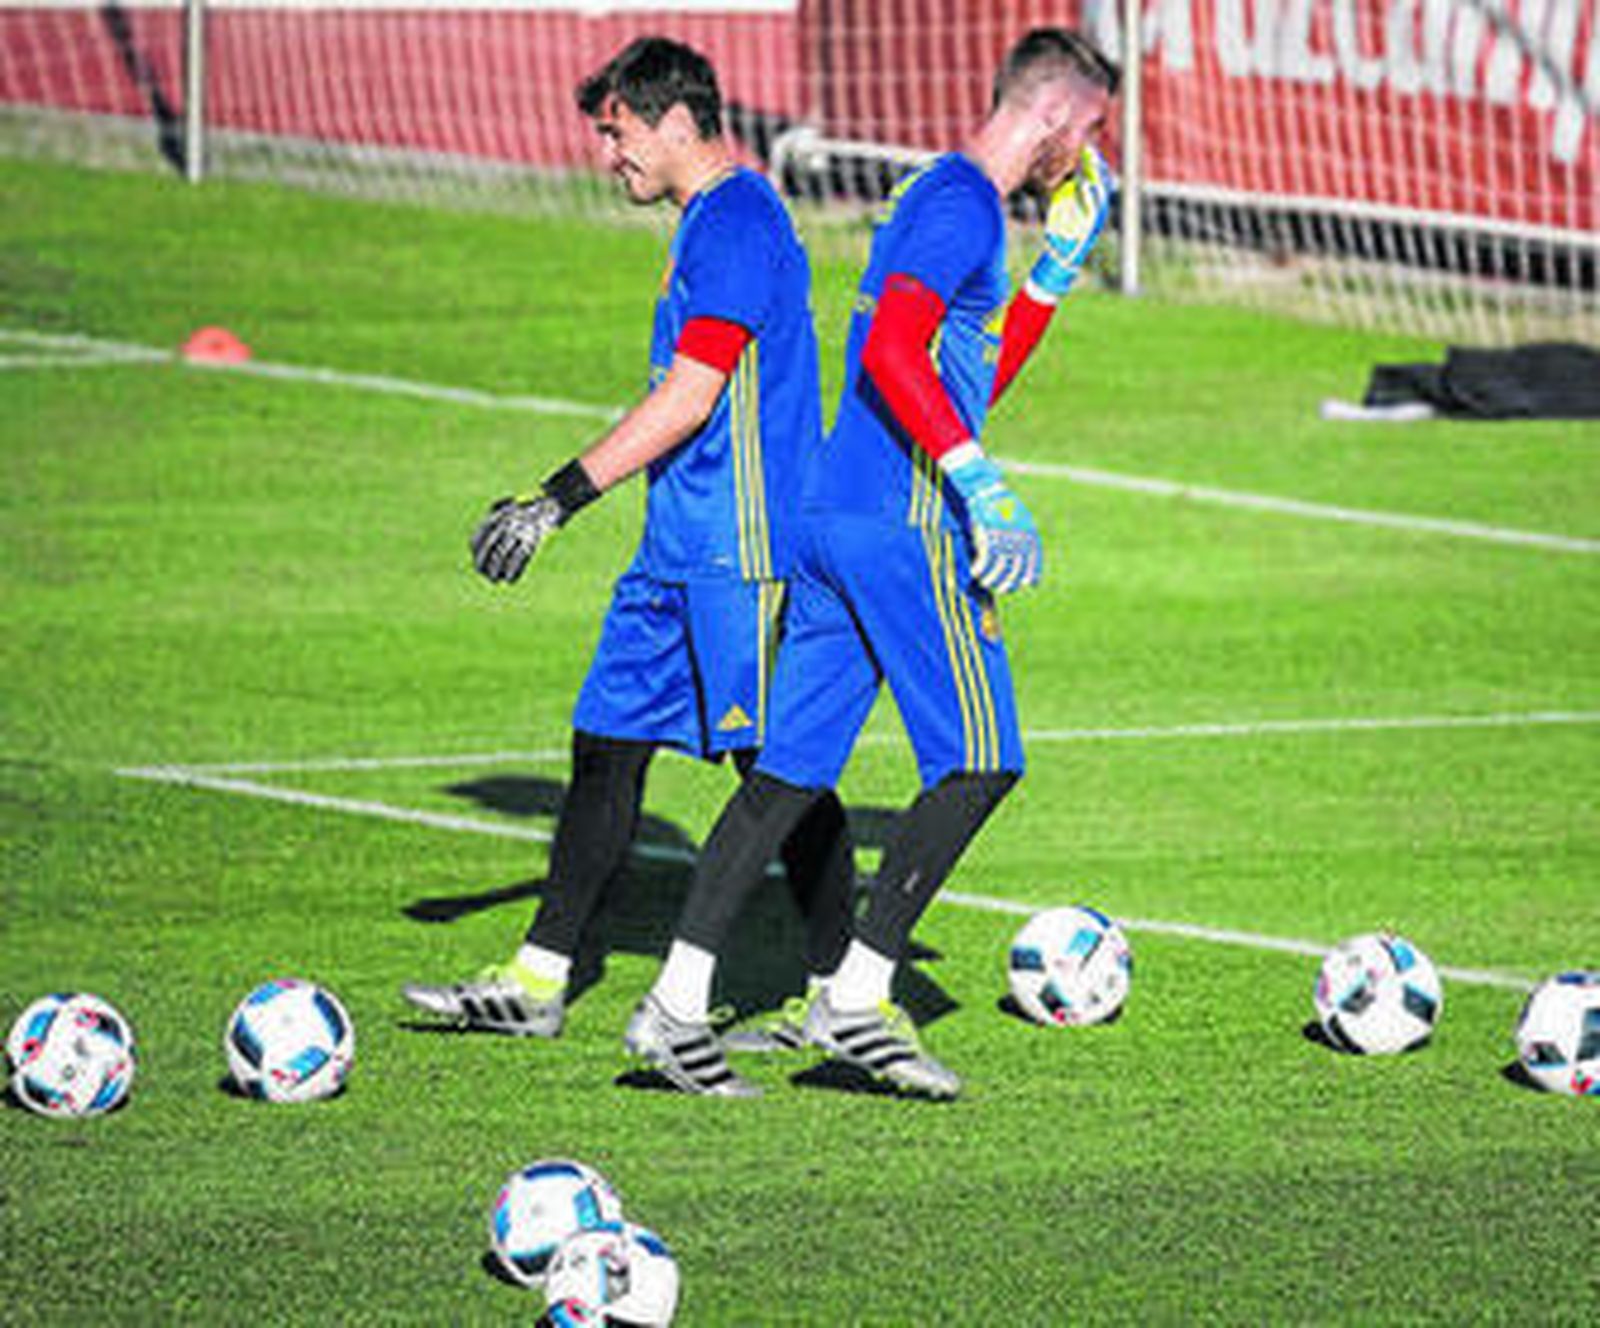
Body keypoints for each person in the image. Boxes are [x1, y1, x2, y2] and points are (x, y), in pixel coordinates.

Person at [624, 28, 1119, 1099]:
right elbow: (892, 355)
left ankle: (673, 1002)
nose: (1086, 156)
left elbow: (960, 371)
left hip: (832, 515)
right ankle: (854, 994)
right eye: (1088, 132)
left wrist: (1050, 280)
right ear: (1050, 113)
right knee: (982, 758)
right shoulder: (958, 207)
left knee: (787, 774)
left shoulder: (937, 198)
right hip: (900, 523)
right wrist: (976, 482)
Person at [402, 37, 854, 1055]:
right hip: (673, 551)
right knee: (605, 748)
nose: (607, 155)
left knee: (773, 769)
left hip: (741, 554)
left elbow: (691, 396)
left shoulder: (737, 220)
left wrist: (556, 498)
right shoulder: (703, 222)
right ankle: (537, 978)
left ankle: (840, 987)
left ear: (676, 121)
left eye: (617, 133)